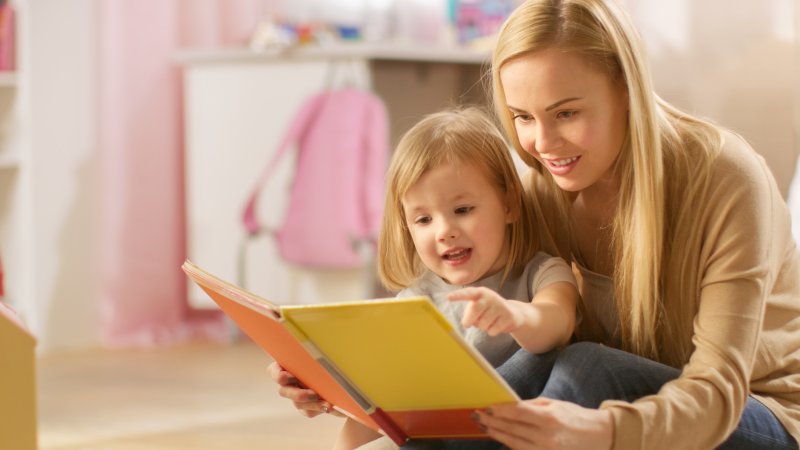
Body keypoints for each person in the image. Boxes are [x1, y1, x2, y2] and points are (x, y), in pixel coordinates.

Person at [272, 0, 800, 448]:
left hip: (758, 412)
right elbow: (472, 324)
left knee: (585, 366)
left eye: (566, 113)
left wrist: (602, 430)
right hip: (625, 398)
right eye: (523, 117)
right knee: (533, 361)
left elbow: (718, 393)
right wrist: (344, 381)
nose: (541, 144)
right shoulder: (541, 187)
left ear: (626, 88)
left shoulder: (726, 179)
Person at [272, 107, 580, 450]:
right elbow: (379, 402)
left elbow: (557, 321)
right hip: (435, 432)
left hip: (510, 433)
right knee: (363, 428)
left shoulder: (542, 273)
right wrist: (318, 387)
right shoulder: (413, 303)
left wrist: (516, 316)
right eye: (423, 220)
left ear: (509, 203)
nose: (444, 231)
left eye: (462, 210)